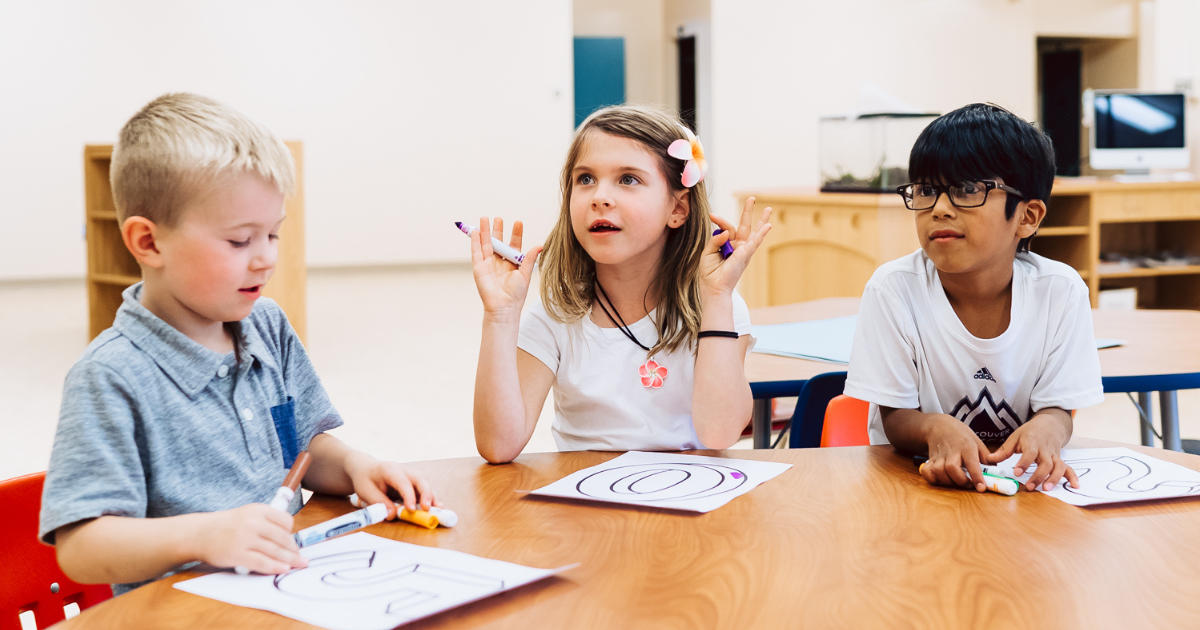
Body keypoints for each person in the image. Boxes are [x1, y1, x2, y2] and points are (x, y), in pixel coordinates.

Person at [39, 93, 437, 595]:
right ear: (148, 242)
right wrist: (205, 535)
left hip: (285, 594)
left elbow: (305, 447)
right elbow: (82, 546)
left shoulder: (266, 324)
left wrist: (359, 465)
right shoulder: (110, 375)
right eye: (239, 241)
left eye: (273, 234)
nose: (266, 258)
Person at [469, 105, 772, 463]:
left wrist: (718, 297)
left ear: (678, 209)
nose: (600, 196)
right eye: (585, 179)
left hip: (688, 500)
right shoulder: (554, 318)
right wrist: (500, 317)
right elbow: (498, 445)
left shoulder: (718, 307)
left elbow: (720, 433)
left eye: (628, 179)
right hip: (584, 503)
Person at [844, 103, 1104, 492]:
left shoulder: (1060, 291)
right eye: (927, 190)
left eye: (968, 190)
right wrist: (934, 427)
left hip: (1019, 492)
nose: (940, 209)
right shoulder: (893, 288)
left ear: (1027, 217)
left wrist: (1048, 429)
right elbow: (895, 417)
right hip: (910, 487)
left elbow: (1058, 409)